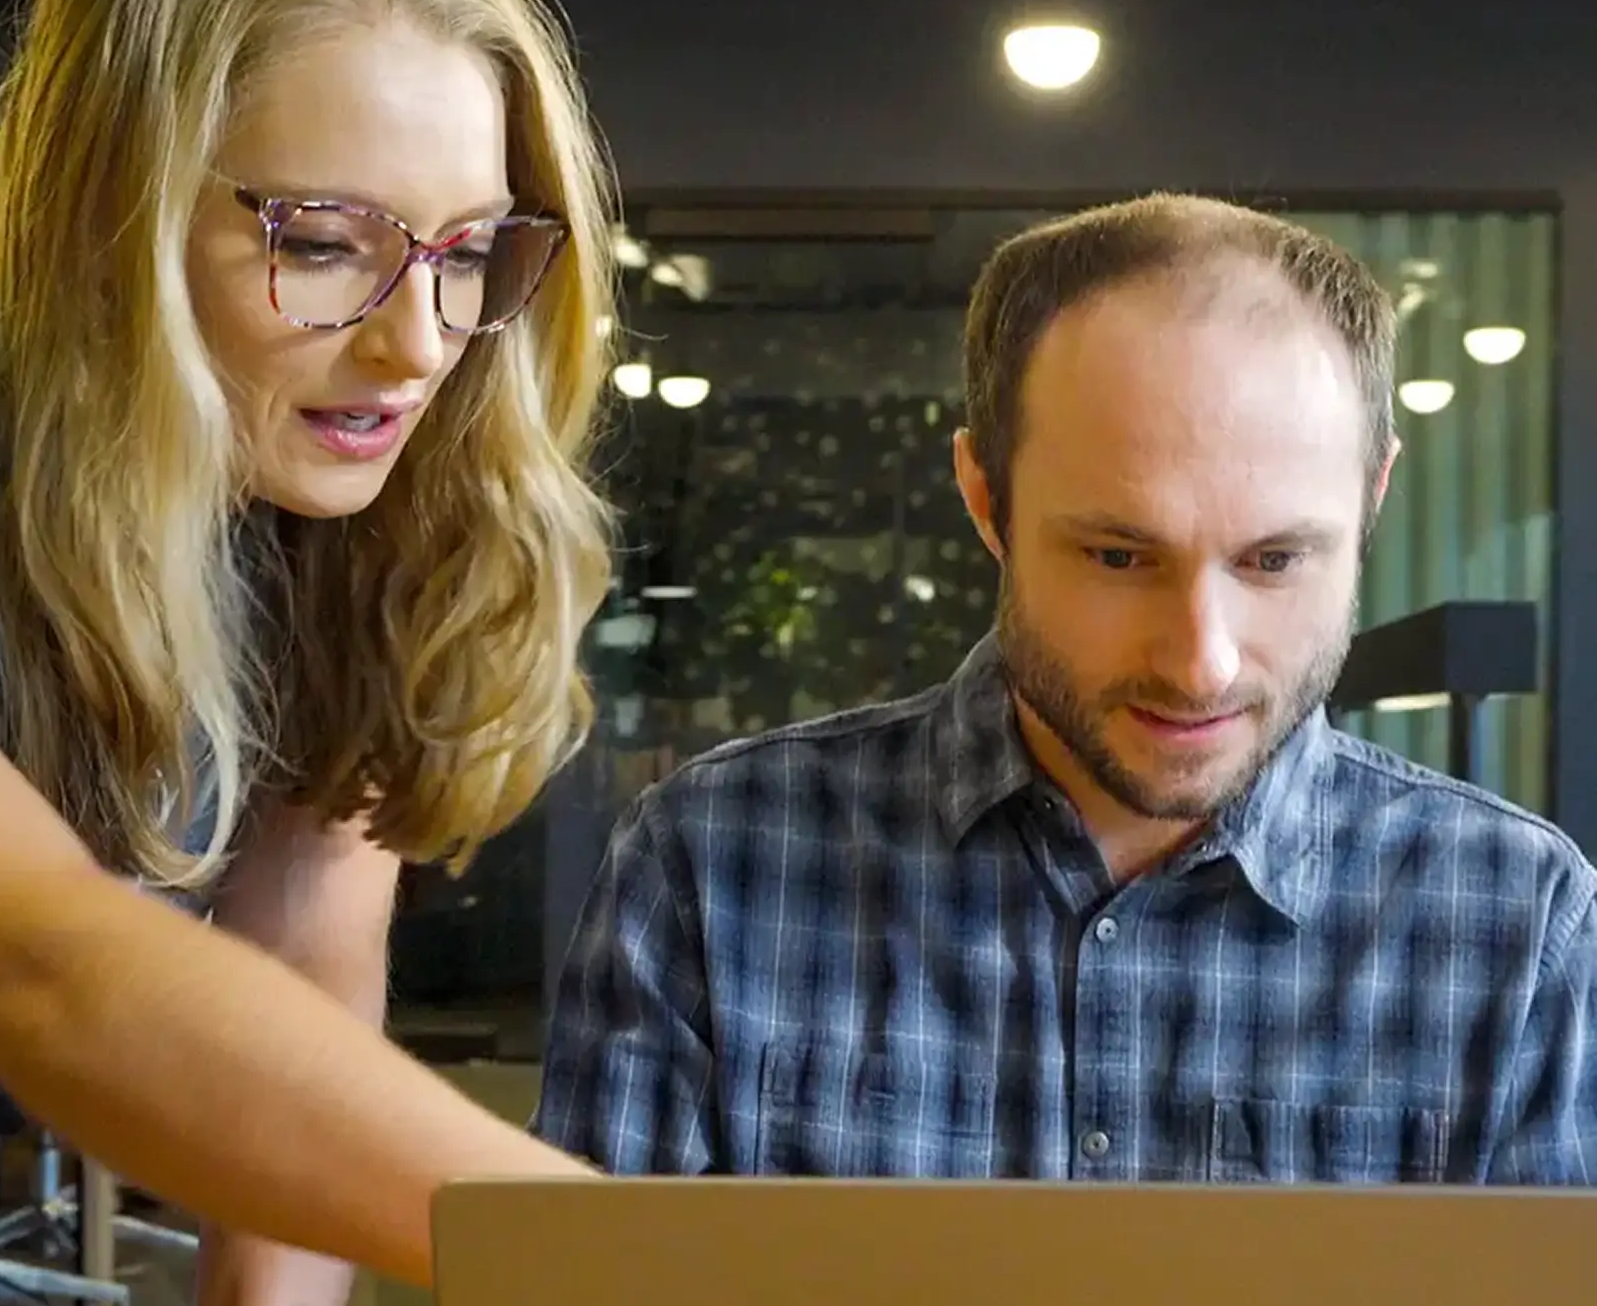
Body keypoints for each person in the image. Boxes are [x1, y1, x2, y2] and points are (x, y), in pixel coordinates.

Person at [0, 0, 615, 1306]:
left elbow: (300, 982)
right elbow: (33, 959)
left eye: (468, 256)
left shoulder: (323, 502)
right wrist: (652, 1289)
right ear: (106, 207)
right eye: (321, 241)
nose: (416, 342)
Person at [535, 193, 1597, 1183]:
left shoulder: (1513, 922)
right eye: (1117, 558)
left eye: (1274, 562)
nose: (1201, 663)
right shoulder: (714, 865)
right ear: (983, 500)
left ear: (1369, 502)